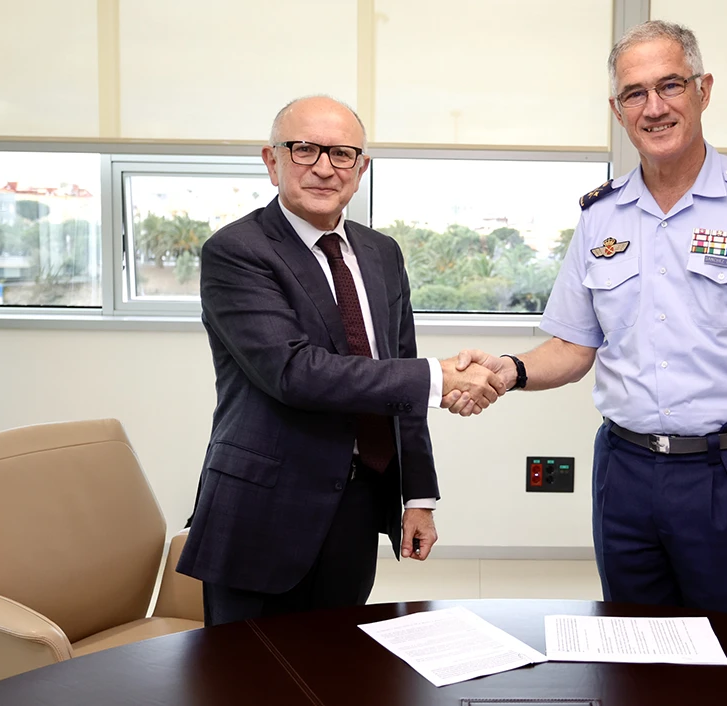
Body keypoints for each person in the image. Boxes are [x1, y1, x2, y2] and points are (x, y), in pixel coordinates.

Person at [448, 21, 727, 618]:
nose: (654, 108)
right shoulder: (601, 216)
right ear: (617, 109)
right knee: (631, 647)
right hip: (623, 471)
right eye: (635, 93)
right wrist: (508, 370)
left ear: (703, 91)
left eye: (671, 86)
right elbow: (574, 349)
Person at [177, 95, 505, 626]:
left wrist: (418, 495)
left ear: (362, 168)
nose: (325, 167)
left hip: (358, 498)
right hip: (264, 508)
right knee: (244, 679)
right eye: (305, 149)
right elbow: (295, 373)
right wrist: (439, 376)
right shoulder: (237, 251)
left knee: (340, 668)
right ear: (272, 160)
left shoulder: (381, 252)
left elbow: (399, 372)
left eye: (343, 154)